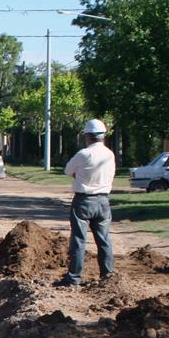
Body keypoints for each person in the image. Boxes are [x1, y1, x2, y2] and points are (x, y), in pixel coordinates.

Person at [58, 118, 116, 287]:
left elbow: (68, 170)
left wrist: (80, 176)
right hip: (103, 202)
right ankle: (108, 276)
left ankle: (74, 278)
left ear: (88, 136)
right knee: (104, 240)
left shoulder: (83, 154)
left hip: (84, 201)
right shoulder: (110, 155)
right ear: (103, 136)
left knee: (78, 240)